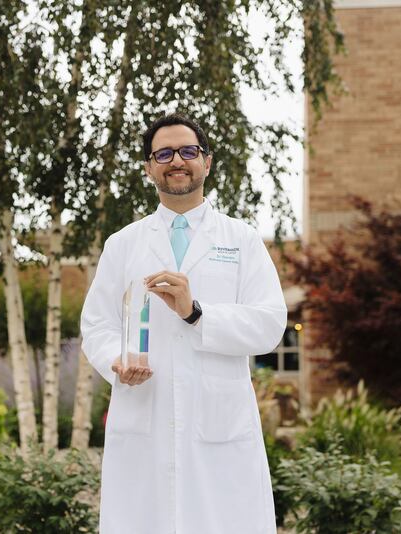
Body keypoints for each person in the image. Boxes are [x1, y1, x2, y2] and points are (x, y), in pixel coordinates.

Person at [80, 113, 286, 533]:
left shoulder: (241, 239)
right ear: (148, 167)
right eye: (164, 153)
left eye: (188, 151)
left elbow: (269, 324)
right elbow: (96, 325)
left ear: (206, 163)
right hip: (144, 416)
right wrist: (116, 361)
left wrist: (196, 312)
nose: (177, 161)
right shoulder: (123, 245)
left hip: (218, 424)